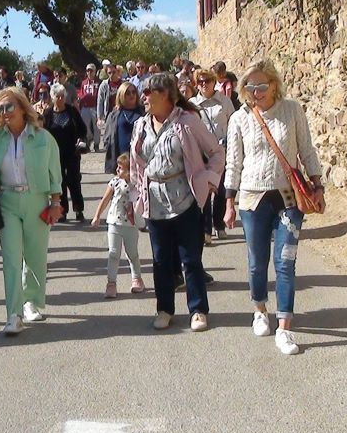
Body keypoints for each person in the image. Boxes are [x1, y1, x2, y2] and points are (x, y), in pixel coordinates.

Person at [224, 60, 323, 356]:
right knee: (257, 262)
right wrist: (229, 202)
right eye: (250, 87)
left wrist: (318, 184)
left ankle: (284, 328)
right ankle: (259, 309)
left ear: (274, 84)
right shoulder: (239, 119)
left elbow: (306, 149)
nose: (257, 92)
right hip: (252, 199)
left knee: (285, 262)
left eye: (262, 86)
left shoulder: (292, 110)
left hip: (288, 199)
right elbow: (233, 162)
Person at [130, 72, 225, 332]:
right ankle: (164, 309)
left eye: (148, 92)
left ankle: (198, 310)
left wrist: (208, 180)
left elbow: (216, 152)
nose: (143, 97)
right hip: (154, 201)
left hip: (185, 199)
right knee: (160, 259)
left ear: (165, 95)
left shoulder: (187, 122)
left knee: (190, 258)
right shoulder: (141, 126)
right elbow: (135, 165)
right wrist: (135, 196)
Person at [0, 87, 64, 335]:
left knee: (35, 256)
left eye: (9, 106)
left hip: (37, 200)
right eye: (0, 108)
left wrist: (55, 203)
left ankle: (31, 301)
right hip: (7, 200)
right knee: (11, 258)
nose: (5, 112)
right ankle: (14, 314)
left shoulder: (43, 138)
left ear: (22, 107)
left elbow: (55, 173)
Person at [90, 153, 145, 297]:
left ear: (129, 170)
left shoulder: (137, 183)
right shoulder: (114, 182)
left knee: (132, 254)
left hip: (131, 225)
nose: (117, 170)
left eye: (120, 168)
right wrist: (97, 215)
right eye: (117, 167)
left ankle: (137, 279)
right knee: (113, 254)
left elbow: (143, 201)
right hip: (114, 222)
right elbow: (105, 199)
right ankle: (111, 283)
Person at [190, 69, 235, 244]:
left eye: (207, 81)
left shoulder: (224, 102)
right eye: (200, 81)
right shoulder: (192, 104)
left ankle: (219, 224)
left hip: (222, 152)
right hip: (201, 153)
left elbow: (233, 124)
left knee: (222, 189)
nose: (204, 84)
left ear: (214, 82)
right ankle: (206, 229)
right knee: (205, 191)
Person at [43, 83, 88, 222]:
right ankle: (62, 211)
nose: (61, 99)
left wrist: (81, 140)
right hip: (55, 154)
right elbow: (43, 132)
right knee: (59, 181)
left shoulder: (72, 111)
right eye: (58, 96)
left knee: (74, 180)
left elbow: (82, 129)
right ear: (52, 97)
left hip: (72, 152)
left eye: (63, 96)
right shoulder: (48, 114)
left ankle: (79, 209)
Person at [103, 81, 142, 174]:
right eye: (127, 93)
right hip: (121, 156)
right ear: (121, 95)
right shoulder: (115, 114)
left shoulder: (143, 112)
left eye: (133, 92)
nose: (131, 95)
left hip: (140, 156)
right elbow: (107, 136)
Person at [77, 63, 101, 153]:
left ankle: (96, 144)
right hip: (85, 107)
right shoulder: (84, 82)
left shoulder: (99, 82)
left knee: (97, 127)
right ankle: (89, 139)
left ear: (95, 71)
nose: (89, 72)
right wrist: (82, 97)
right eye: (88, 70)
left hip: (95, 107)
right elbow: (81, 93)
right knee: (85, 126)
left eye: (91, 70)